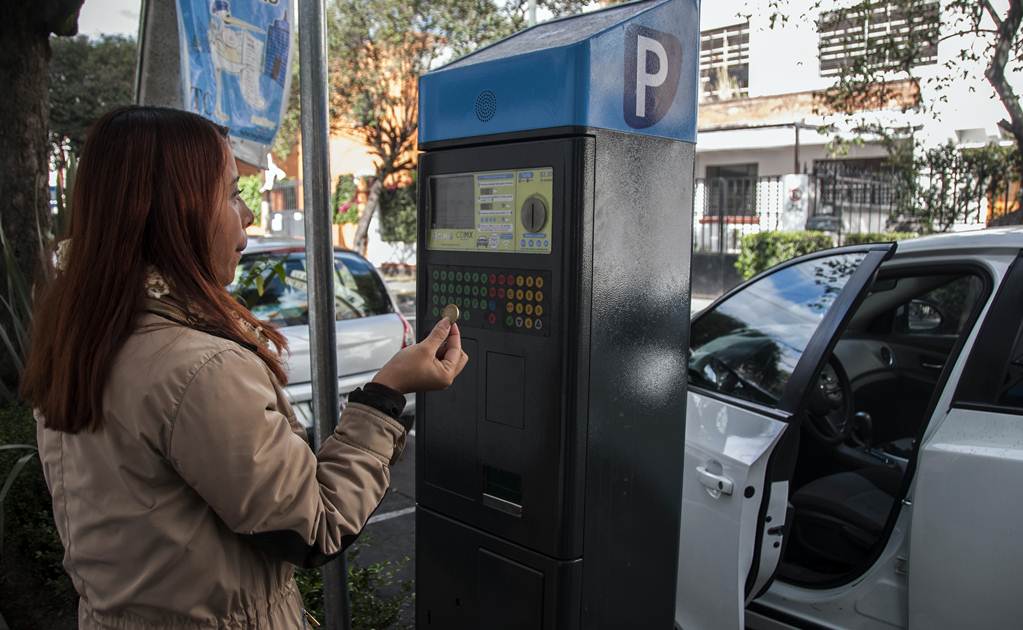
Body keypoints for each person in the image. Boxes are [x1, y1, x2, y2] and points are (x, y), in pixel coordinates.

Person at [19, 106, 468, 629]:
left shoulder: (80, 335)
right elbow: (316, 526)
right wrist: (387, 394)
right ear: (176, 211)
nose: (248, 216)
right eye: (232, 194)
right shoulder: (196, 367)